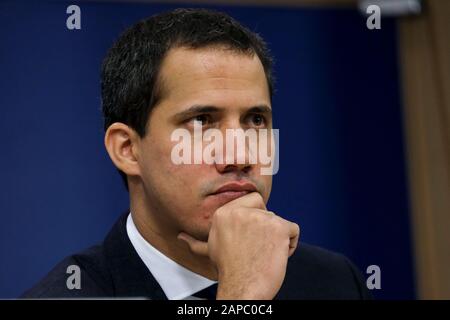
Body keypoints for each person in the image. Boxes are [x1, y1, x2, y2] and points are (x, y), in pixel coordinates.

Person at [22, 8, 371, 300]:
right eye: (202, 121)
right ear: (127, 149)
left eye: (255, 119)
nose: (240, 155)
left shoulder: (335, 282)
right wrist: (242, 296)